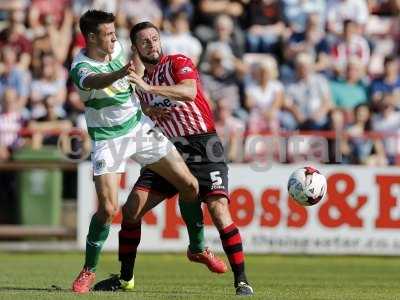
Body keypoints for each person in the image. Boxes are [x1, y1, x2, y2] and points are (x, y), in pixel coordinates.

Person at [94, 21, 254, 296]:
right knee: (131, 210)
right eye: (145, 41)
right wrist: (146, 108)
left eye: (155, 38)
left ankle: (241, 280)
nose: (152, 44)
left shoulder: (177, 62)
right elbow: (139, 110)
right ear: (136, 47)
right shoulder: (139, 83)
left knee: (218, 210)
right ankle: (125, 279)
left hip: (204, 145)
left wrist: (150, 89)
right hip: (168, 148)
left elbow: (189, 91)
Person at [70, 10, 202, 294]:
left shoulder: (117, 47)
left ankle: (197, 247)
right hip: (107, 139)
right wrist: (119, 73)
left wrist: (145, 101)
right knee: (107, 209)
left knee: (190, 184)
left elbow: (138, 72)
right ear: (91, 37)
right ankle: (88, 269)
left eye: (114, 32)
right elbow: (94, 82)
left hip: (139, 128)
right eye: (108, 34)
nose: (114, 38)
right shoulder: (80, 67)